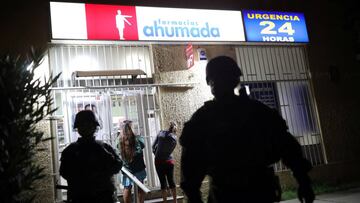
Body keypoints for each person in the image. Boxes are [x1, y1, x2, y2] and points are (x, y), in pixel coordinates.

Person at [180, 56, 315, 203]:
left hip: (232, 194)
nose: (221, 82)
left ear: (209, 81)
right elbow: (288, 147)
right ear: (236, 79)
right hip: (255, 192)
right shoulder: (257, 111)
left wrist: (304, 183)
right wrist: (304, 182)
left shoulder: (203, 118)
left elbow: (190, 167)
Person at [59, 110, 123, 203]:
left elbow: (64, 172)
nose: (86, 128)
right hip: (99, 196)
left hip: (84, 196)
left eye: (88, 125)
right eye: (83, 125)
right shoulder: (103, 147)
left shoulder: (70, 150)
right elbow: (116, 166)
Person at [119, 120, 147, 203]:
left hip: (127, 170)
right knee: (140, 188)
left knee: (127, 188)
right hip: (139, 168)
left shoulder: (119, 140)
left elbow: (117, 151)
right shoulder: (138, 139)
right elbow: (143, 145)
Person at [152, 122, 178, 203]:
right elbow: (171, 150)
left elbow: (153, 146)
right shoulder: (174, 138)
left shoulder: (160, 133)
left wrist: (157, 153)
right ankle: (175, 201)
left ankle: (165, 201)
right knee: (171, 181)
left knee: (163, 183)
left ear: (168, 126)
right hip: (169, 161)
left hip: (158, 161)